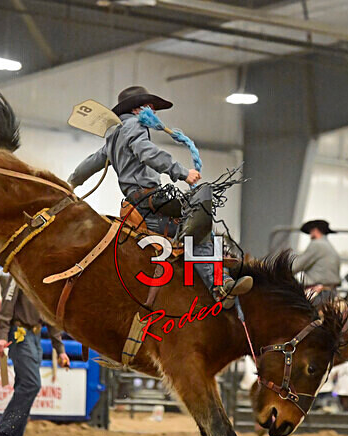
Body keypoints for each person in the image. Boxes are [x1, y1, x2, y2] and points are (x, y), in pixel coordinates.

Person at [68, 86, 251, 307]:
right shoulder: (135, 126)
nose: (153, 113)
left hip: (135, 201)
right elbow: (148, 153)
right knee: (197, 226)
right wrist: (183, 173)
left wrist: (73, 181)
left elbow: (92, 162)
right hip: (149, 200)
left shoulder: (114, 133)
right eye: (150, 108)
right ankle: (219, 286)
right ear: (137, 109)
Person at [0, 279, 69, 436]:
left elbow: (50, 317)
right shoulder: (18, 278)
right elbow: (7, 304)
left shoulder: (43, 280)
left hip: (33, 337)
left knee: (26, 385)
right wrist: (2, 335)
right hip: (20, 335)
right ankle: (3, 434)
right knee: (31, 384)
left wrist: (60, 349)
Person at [293, 219, 341, 293]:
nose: (310, 234)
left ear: (315, 230)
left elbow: (298, 265)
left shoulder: (317, 244)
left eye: (311, 231)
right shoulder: (328, 246)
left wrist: (282, 271)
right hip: (329, 290)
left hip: (317, 290)